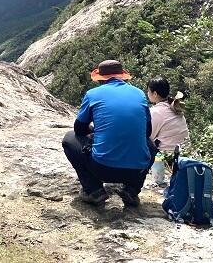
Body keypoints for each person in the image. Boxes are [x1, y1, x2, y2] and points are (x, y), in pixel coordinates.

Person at [62, 60, 155, 207]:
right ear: (122, 77)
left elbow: (78, 129)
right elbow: (147, 131)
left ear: (100, 79)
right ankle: (132, 190)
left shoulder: (93, 94)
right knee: (150, 144)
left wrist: (95, 131)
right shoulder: (139, 94)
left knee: (69, 139)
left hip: (102, 168)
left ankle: (94, 190)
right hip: (136, 170)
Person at [147, 77, 190, 152]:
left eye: (148, 91)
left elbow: (149, 136)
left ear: (155, 94)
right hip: (185, 152)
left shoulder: (155, 112)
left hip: (168, 155)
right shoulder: (175, 106)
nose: (147, 93)